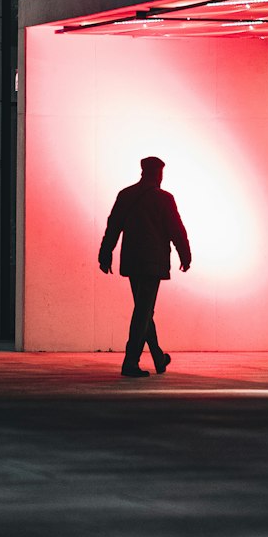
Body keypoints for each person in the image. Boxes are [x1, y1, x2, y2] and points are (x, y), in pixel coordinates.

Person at [98, 156, 191, 378]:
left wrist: (105, 254)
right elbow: (176, 230)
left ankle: (158, 357)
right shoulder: (164, 199)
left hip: (132, 260)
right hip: (153, 262)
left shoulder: (126, 195)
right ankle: (130, 362)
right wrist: (185, 255)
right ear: (158, 173)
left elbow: (113, 226)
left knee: (144, 310)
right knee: (143, 312)